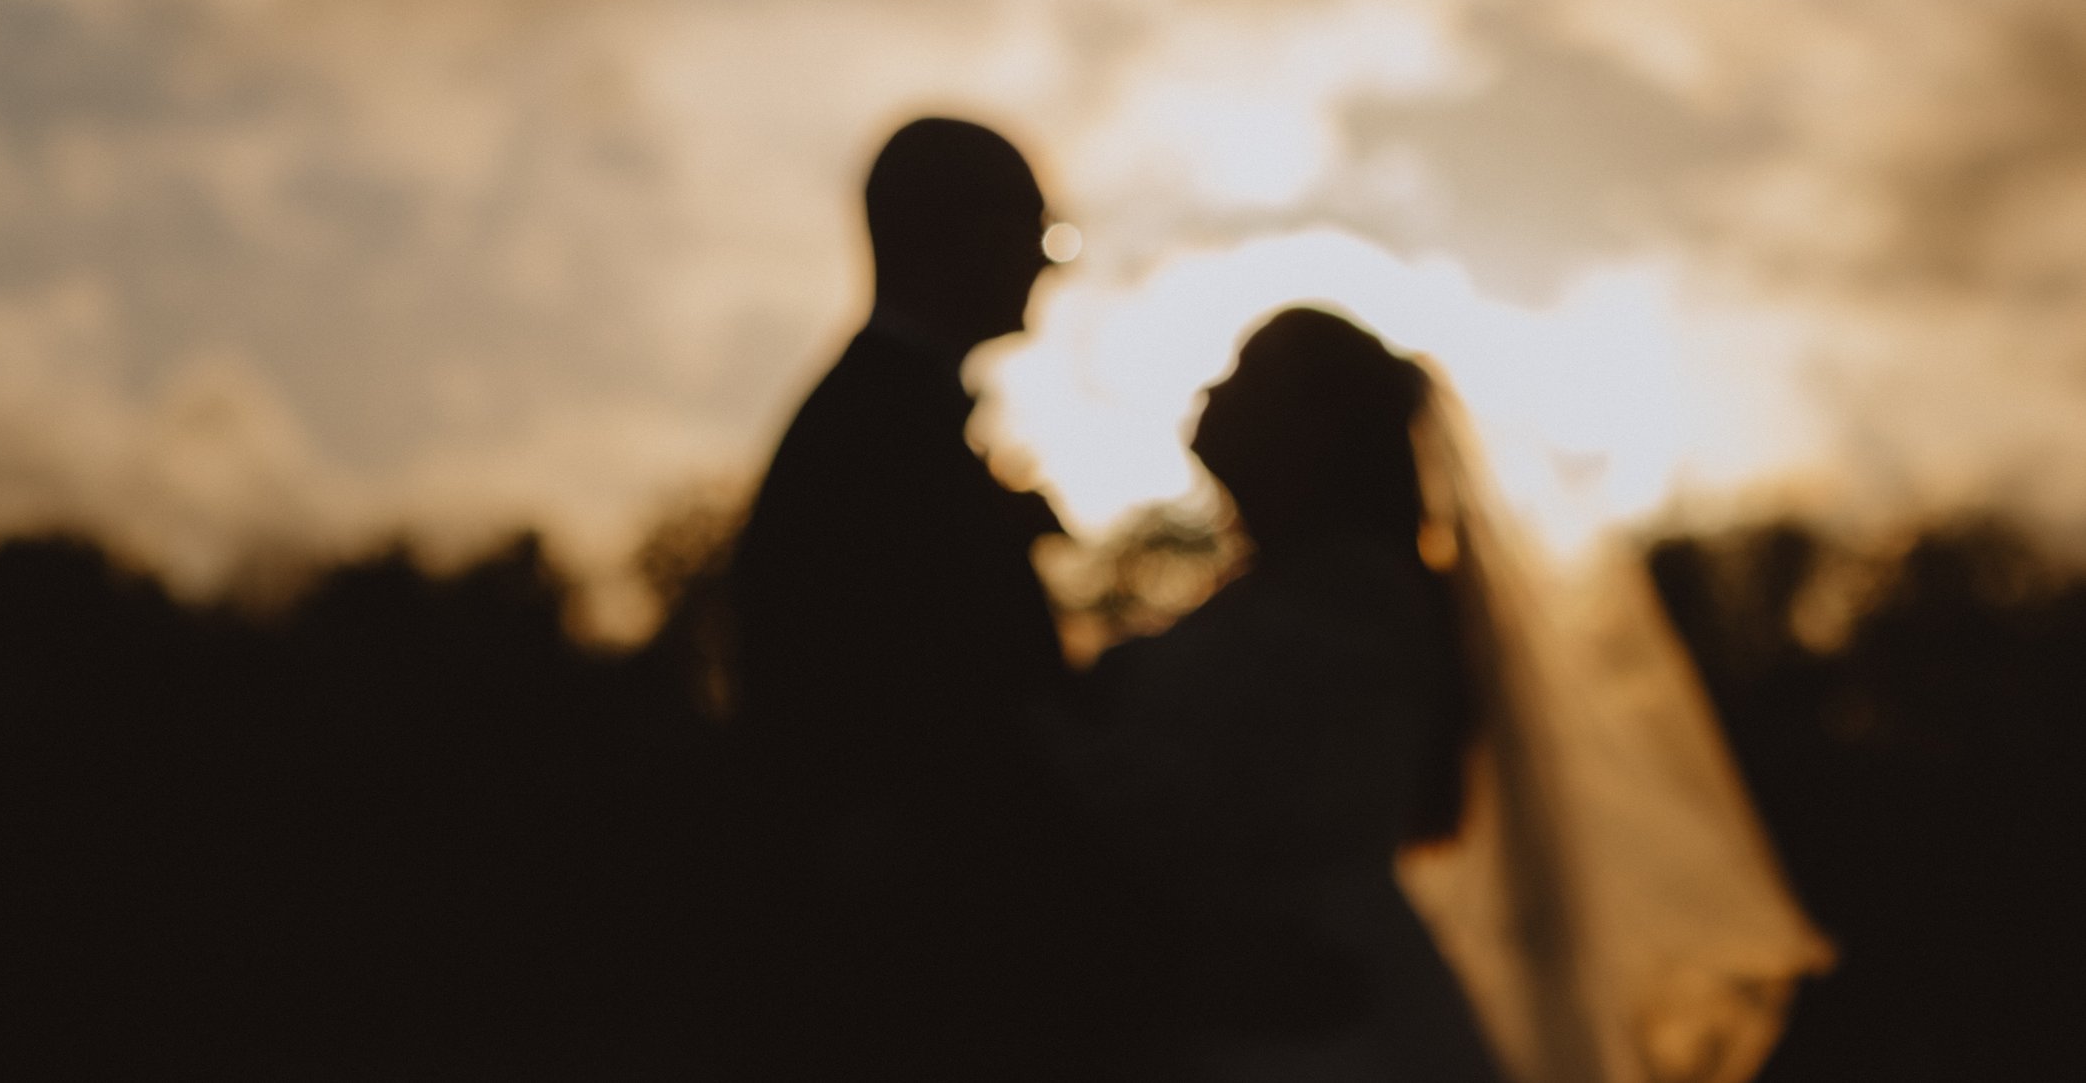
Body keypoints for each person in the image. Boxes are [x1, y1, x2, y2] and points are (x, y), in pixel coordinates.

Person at [1060, 307, 1830, 1083]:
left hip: (1309, 1005)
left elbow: (1192, 793)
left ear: (1318, 427)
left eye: (1246, 372)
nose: (1212, 388)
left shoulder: (1354, 605)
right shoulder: (1306, 595)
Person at [727, 116, 1082, 1080]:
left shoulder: (883, 421)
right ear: (949, 232)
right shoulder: (872, 442)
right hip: (910, 986)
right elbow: (932, 727)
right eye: (1041, 233)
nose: (1052, 265)